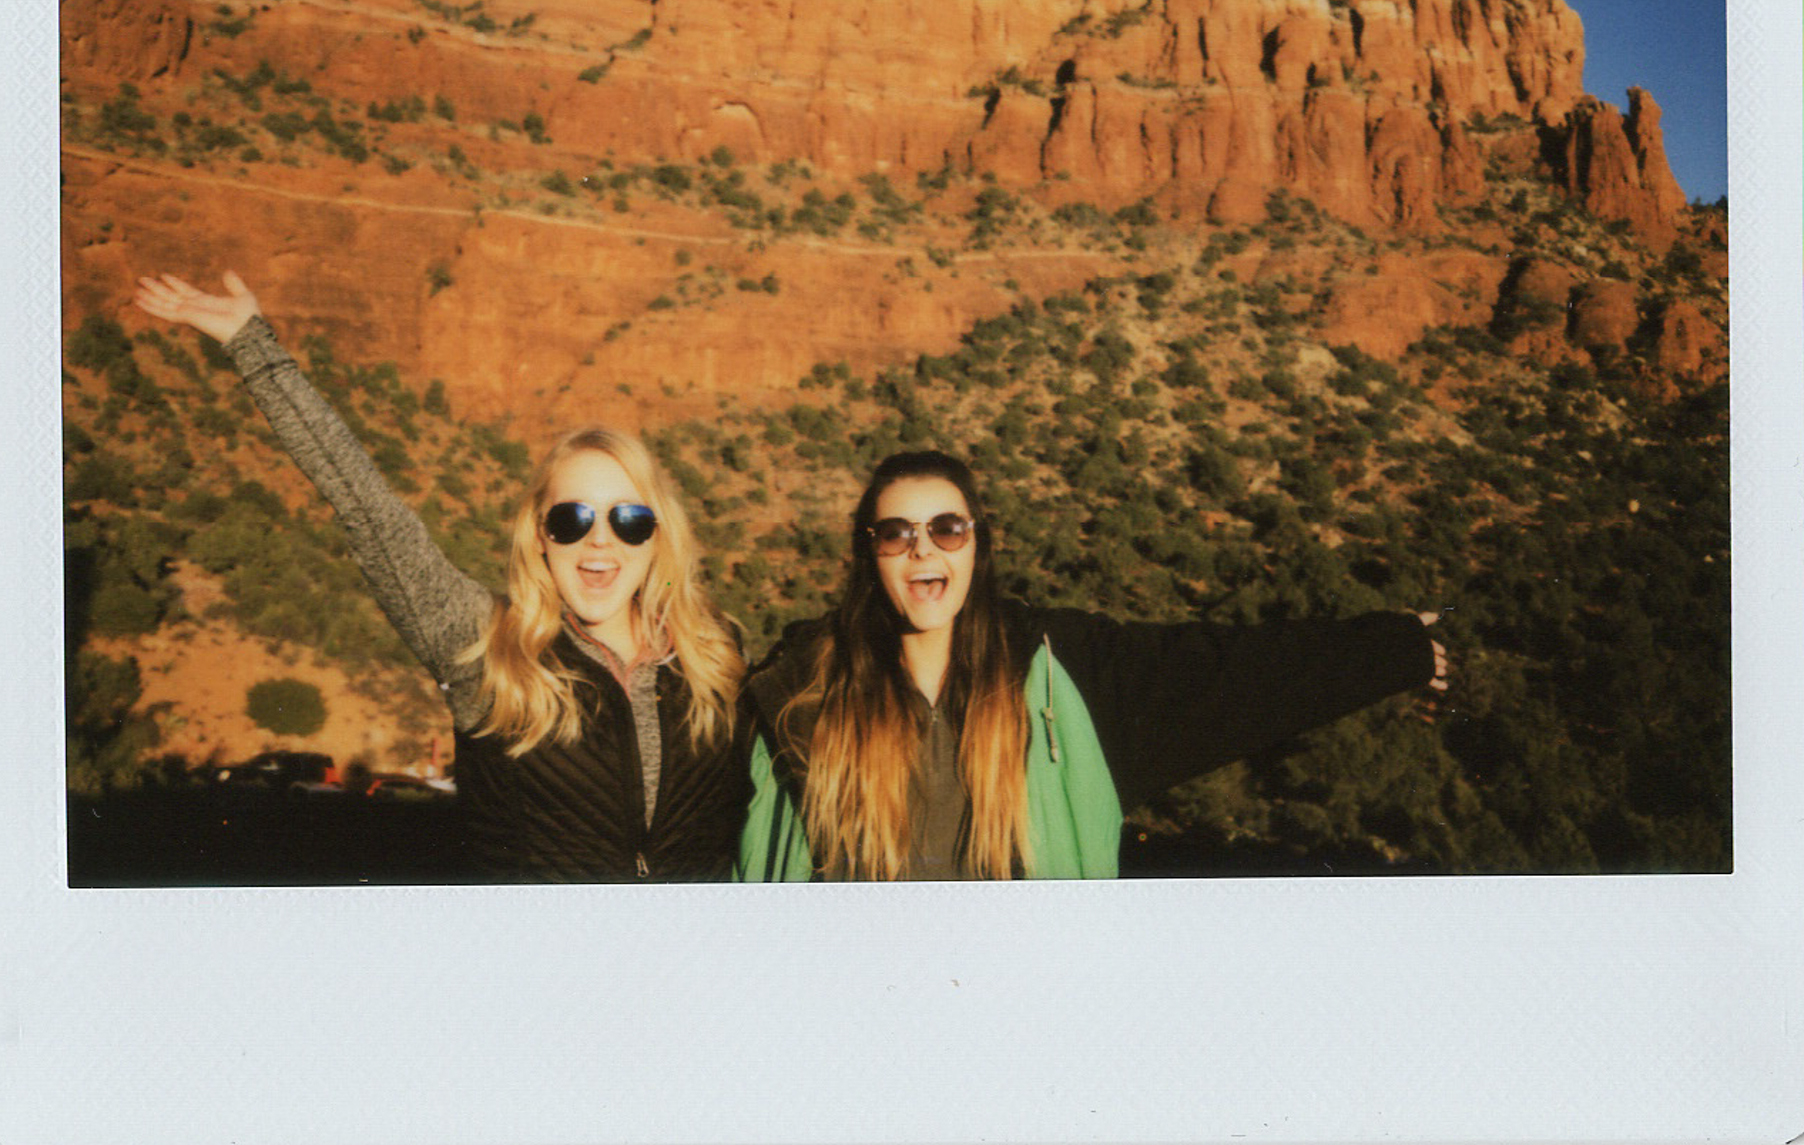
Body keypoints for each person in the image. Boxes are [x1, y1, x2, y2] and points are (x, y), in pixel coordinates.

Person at [134, 272, 751, 882]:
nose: (600, 540)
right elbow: (368, 510)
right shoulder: (487, 649)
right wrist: (251, 344)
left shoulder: (715, 658)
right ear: (539, 534)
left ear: (658, 534)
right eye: (572, 519)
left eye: (629, 520)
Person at [737, 450, 1450, 881]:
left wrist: (1387, 648)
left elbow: (1225, 668)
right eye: (897, 533)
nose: (924, 548)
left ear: (978, 546)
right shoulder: (805, 690)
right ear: (870, 555)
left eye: (947, 528)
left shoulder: (1059, 674)